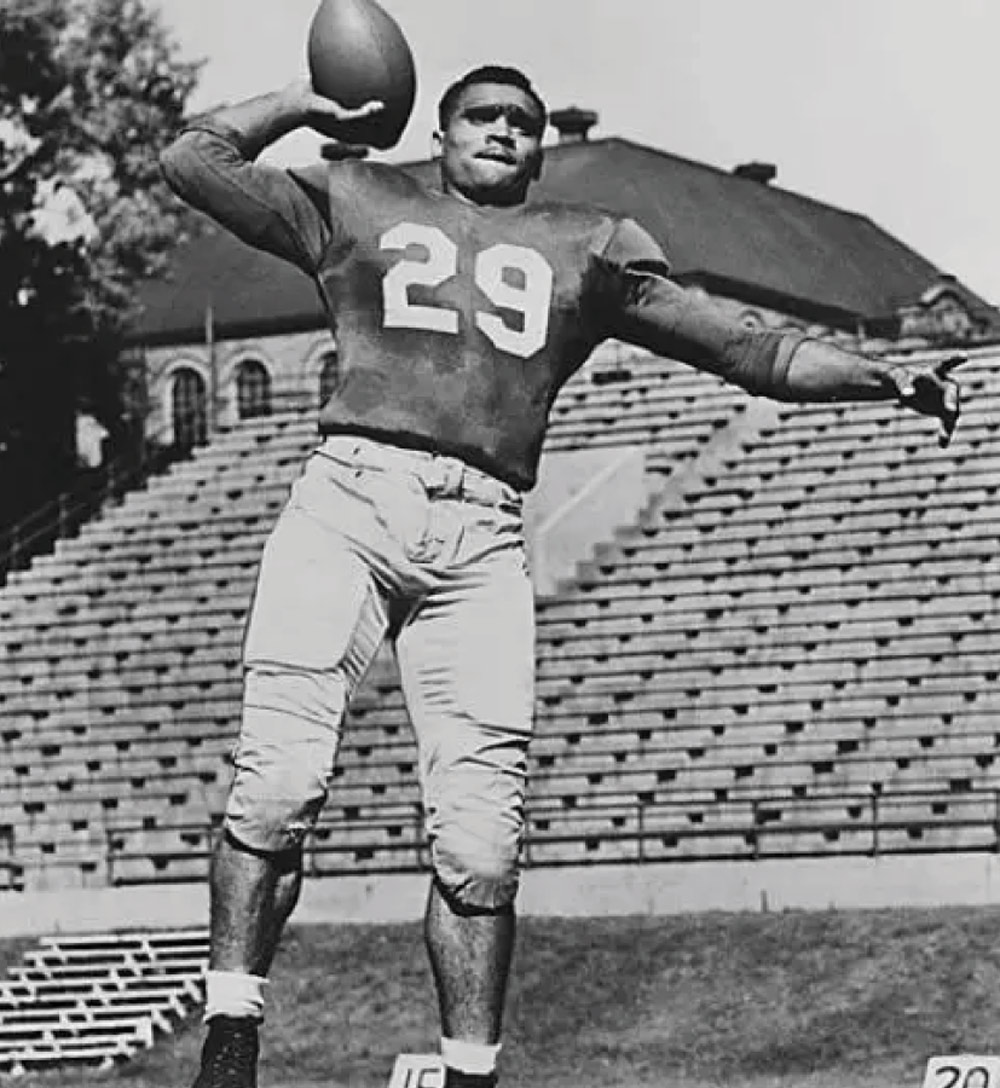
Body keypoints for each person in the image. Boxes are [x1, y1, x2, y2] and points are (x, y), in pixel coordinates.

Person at [160, 63, 967, 1088]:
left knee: (483, 841)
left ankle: (469, 1069)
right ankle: (232, 1034)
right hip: (351, 496)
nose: (503, 131)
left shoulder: (585, 244)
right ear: (441, 131)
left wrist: (882, 375)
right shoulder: (358, 195)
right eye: (481, 116)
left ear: (541, 145)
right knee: (278, 780)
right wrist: (305, 106)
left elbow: (744, 348)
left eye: (523, 122)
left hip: (484, 531)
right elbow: (193, 156)